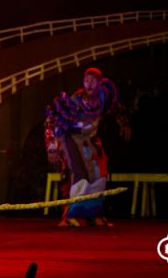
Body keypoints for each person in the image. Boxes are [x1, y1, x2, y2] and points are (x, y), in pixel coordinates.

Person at [44, 67, 132, 227]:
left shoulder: (105, 97)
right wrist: (52, 146)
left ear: (100, 83)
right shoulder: (77, 100)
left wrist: (124, 124)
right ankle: (70, 215)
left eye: (93, 80)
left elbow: (117, 108)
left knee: (100, 172)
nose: (89, 84)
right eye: (86, 80)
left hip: (90, 138)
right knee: (81, 172)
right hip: (71, 138)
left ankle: (93, 213)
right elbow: (52, 119)